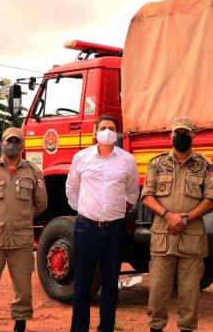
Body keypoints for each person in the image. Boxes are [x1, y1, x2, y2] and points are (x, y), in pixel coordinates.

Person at [141, 116, 213, 332]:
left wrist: (185, 218)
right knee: (157, 291)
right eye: (177, 133)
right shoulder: (156, 164)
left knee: (189, 294)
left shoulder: (205, 165)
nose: (181, 136)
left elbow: (211, 199)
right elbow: (147, 196)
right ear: (171, 135)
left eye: (185, 133)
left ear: (192, 135)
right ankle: (155, 328)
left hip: (191, 239)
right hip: (162, 237)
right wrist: (168, 215)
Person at [66, 115, 140, 332]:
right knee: (82, 286)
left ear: (117, 134)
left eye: (112, 128)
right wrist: (85, 210)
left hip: (115, 230)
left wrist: (118, 213)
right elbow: (71, 188)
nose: (107, 131)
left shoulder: (127, 160)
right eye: (103, 127)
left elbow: (132, 192)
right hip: (86, 228)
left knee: (110, 286)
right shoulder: (81, 157)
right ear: (95, 132)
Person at [0, 127, 48, 332]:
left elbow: (41, 203)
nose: (12, 145)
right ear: (1, 144)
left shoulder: (33, 172)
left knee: (23, 289)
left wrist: (20, 219)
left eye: (16, 141)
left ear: (22, 145)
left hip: (21, 240)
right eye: (8, 141)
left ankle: (19, 324)